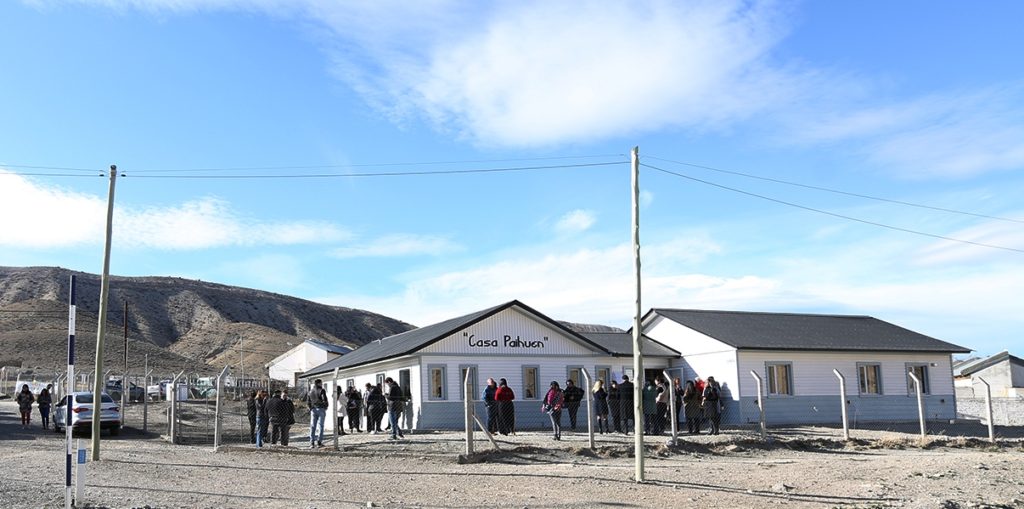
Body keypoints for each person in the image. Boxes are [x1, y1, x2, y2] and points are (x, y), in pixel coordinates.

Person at [305, 379, 329, 448]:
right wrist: (325, 406)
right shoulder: (322, 390)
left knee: (313, 426)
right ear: (319, 383)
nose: (322, 384)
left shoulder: (310, 391)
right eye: (321, 383)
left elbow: (308, 401)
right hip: (321, 408)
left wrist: (310, 408)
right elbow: (324, 399)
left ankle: (312, 442)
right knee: (321, 426)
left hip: (313, 409)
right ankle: (319, 442)